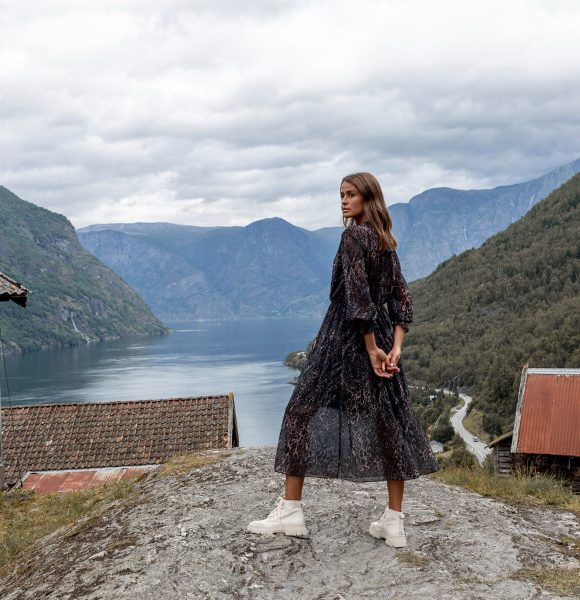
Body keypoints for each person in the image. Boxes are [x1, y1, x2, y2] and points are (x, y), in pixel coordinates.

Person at [247, 172, 440, 547]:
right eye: (341, 195)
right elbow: (401, 298)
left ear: (369, 197)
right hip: (381, 335)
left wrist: (371, 348)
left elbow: (356, 295)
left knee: (301, 411)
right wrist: (394, 346)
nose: (344, 201)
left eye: (351, 194)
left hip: (345, 336)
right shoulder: (386, 241)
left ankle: (291, 511)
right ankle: (394, 521)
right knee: (389, 421)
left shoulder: (353, 237)